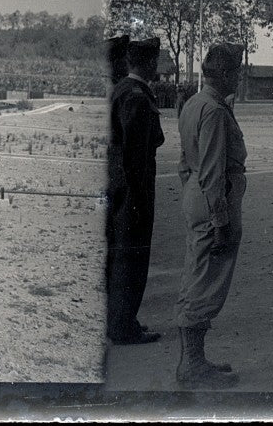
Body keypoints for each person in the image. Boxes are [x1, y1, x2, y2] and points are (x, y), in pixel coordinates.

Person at [174, 43, 247, 389]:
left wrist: (195, 197)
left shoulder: (194, 103)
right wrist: (220, 221)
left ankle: (195, 359)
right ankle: (192, 365)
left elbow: (185, 163)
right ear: (227, 74)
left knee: (197, 274)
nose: (240, 77)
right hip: (213, 200)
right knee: (206, 281)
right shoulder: (215, 111)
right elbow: (214, 170)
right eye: (238, 71)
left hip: (195, 195)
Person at [106, 37, 165, 346]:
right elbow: (136, 157)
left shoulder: (122, 91)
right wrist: (140, 200)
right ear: (149, 64)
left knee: (119, 258)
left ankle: (118, 321)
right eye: (155, 62)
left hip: (118, 186)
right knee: (132, 259)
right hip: (132, 191)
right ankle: (123, 326)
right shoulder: (137, 97)